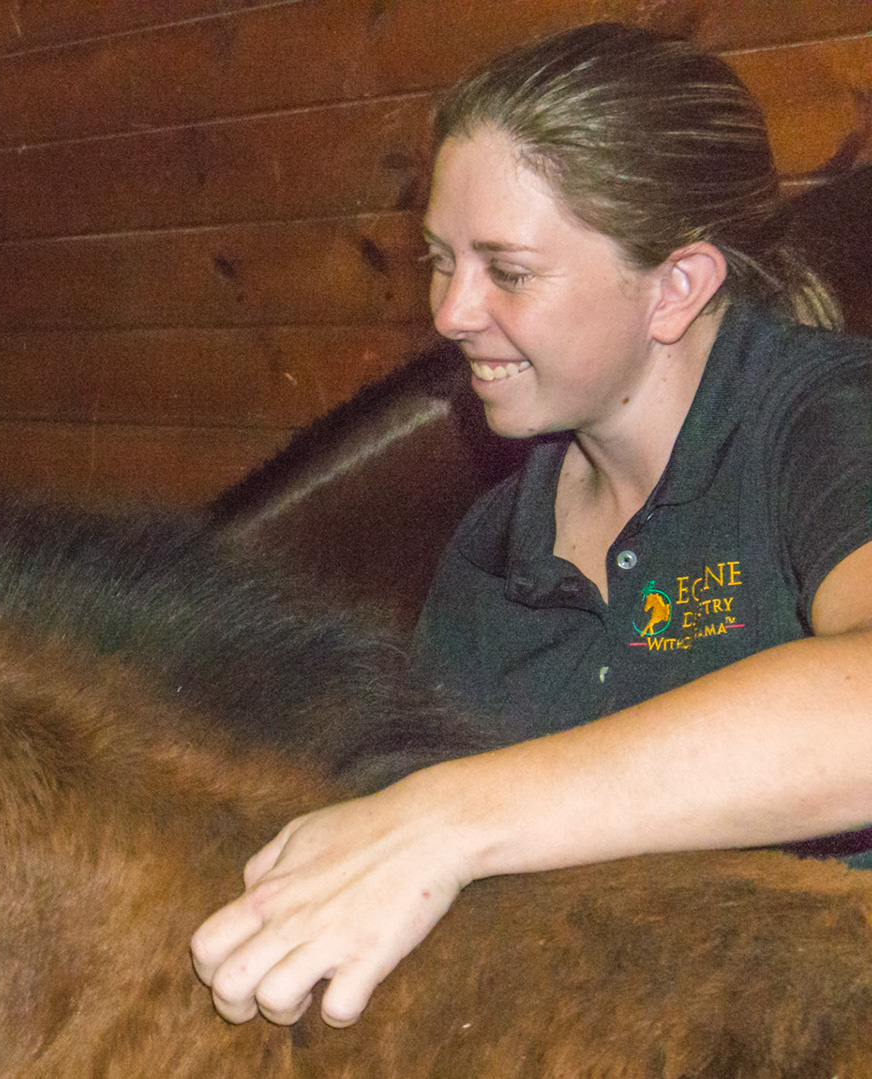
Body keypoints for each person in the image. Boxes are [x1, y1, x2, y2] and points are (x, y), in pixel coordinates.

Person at [190, 21, 872, 1030]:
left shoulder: (820, 420)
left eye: (507, 271)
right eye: (438, 259)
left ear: (676, 287)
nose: (452, 310)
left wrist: (454, 815)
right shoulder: (493, 557)